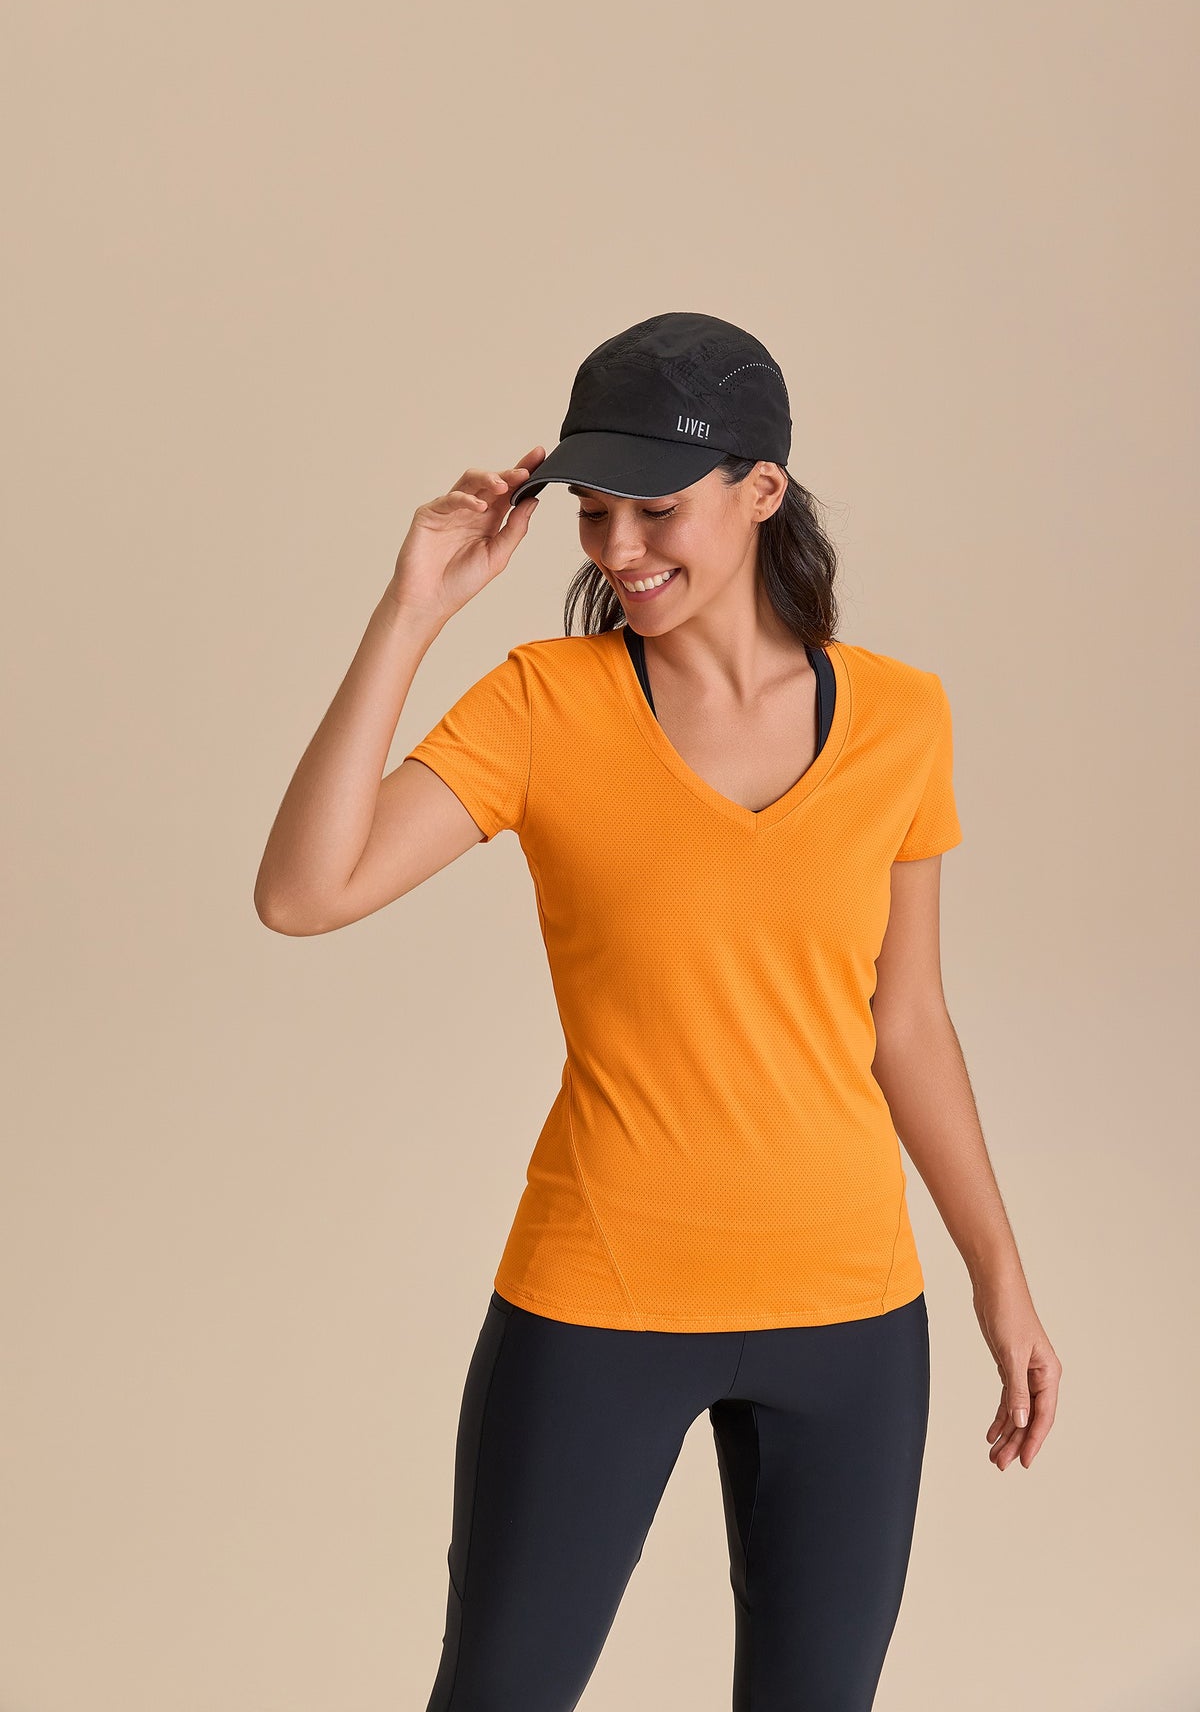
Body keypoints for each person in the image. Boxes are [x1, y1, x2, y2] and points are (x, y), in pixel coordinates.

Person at [254, 311, 1062, 1711]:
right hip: (599, 1302)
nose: (618, 548)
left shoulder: (903, 718)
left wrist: (1001, 1274)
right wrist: (414, 609)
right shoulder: (543, 705)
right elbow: (302, 893)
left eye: (656, 507)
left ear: (762, 489)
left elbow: (909, 1021)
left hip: (853, 1316)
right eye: (593, 511)